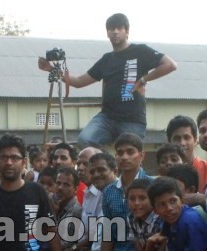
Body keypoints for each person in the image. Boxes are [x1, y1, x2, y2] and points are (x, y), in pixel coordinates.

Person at [43, 13, 177, 149]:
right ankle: (108, 166)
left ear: (127, 31)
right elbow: (79, 81)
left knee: (129, 153)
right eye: (111, 29)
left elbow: (170, 65)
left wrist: (143, 79)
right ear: (107, 33)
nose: (115, 32)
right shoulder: (106, 59)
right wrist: (51, 68)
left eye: (119, 28)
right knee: (84, 140)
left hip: (132, 120)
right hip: (107, 118)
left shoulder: (140, 51)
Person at [166, 115, 207, 192]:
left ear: (196, 141)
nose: (182, 143)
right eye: (177, 138)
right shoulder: (165, 172)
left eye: (187, 138)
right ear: (169, 142)